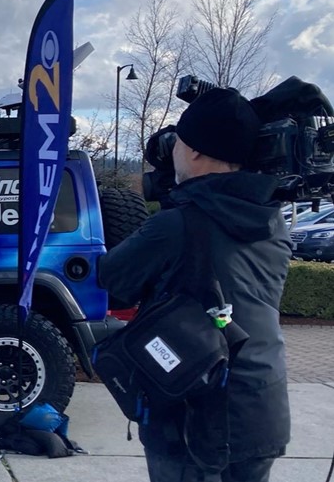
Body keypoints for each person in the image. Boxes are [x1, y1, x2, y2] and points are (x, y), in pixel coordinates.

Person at [100, 88, 291, 482]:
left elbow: (114, 279)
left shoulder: (177, 224)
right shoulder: (273, 222)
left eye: (179, 143)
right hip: (261, 407)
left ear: (197, 152)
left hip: (192, 411)